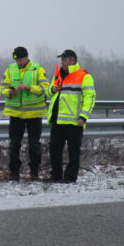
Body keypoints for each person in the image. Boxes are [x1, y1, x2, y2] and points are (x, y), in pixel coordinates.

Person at [0, 46, 49, 181]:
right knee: (14, 144)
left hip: (34, 114)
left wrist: (28, 88)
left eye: (20, 59)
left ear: (26, 57)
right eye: (16, 60)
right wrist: (9, 92)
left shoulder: (38, 69)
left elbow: (45, 88)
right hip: (16, 114)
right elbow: (2, 88)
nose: (18, 63)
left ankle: (34, 173)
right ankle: (14, 173)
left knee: (34, 144)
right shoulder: (10, 69)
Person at [47, 49, 96, 183]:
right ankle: (55, 175)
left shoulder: (84, 76)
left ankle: (70, 177)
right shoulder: (58, 75)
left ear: (72, 61)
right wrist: (52, 89)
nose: (62, 62)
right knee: (54, 149)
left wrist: (83, 117)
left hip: (74, 122)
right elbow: (49, 93)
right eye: (61, 60)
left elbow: (90, 98)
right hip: (57, 120)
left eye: (64, 60)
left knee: (73, 151)